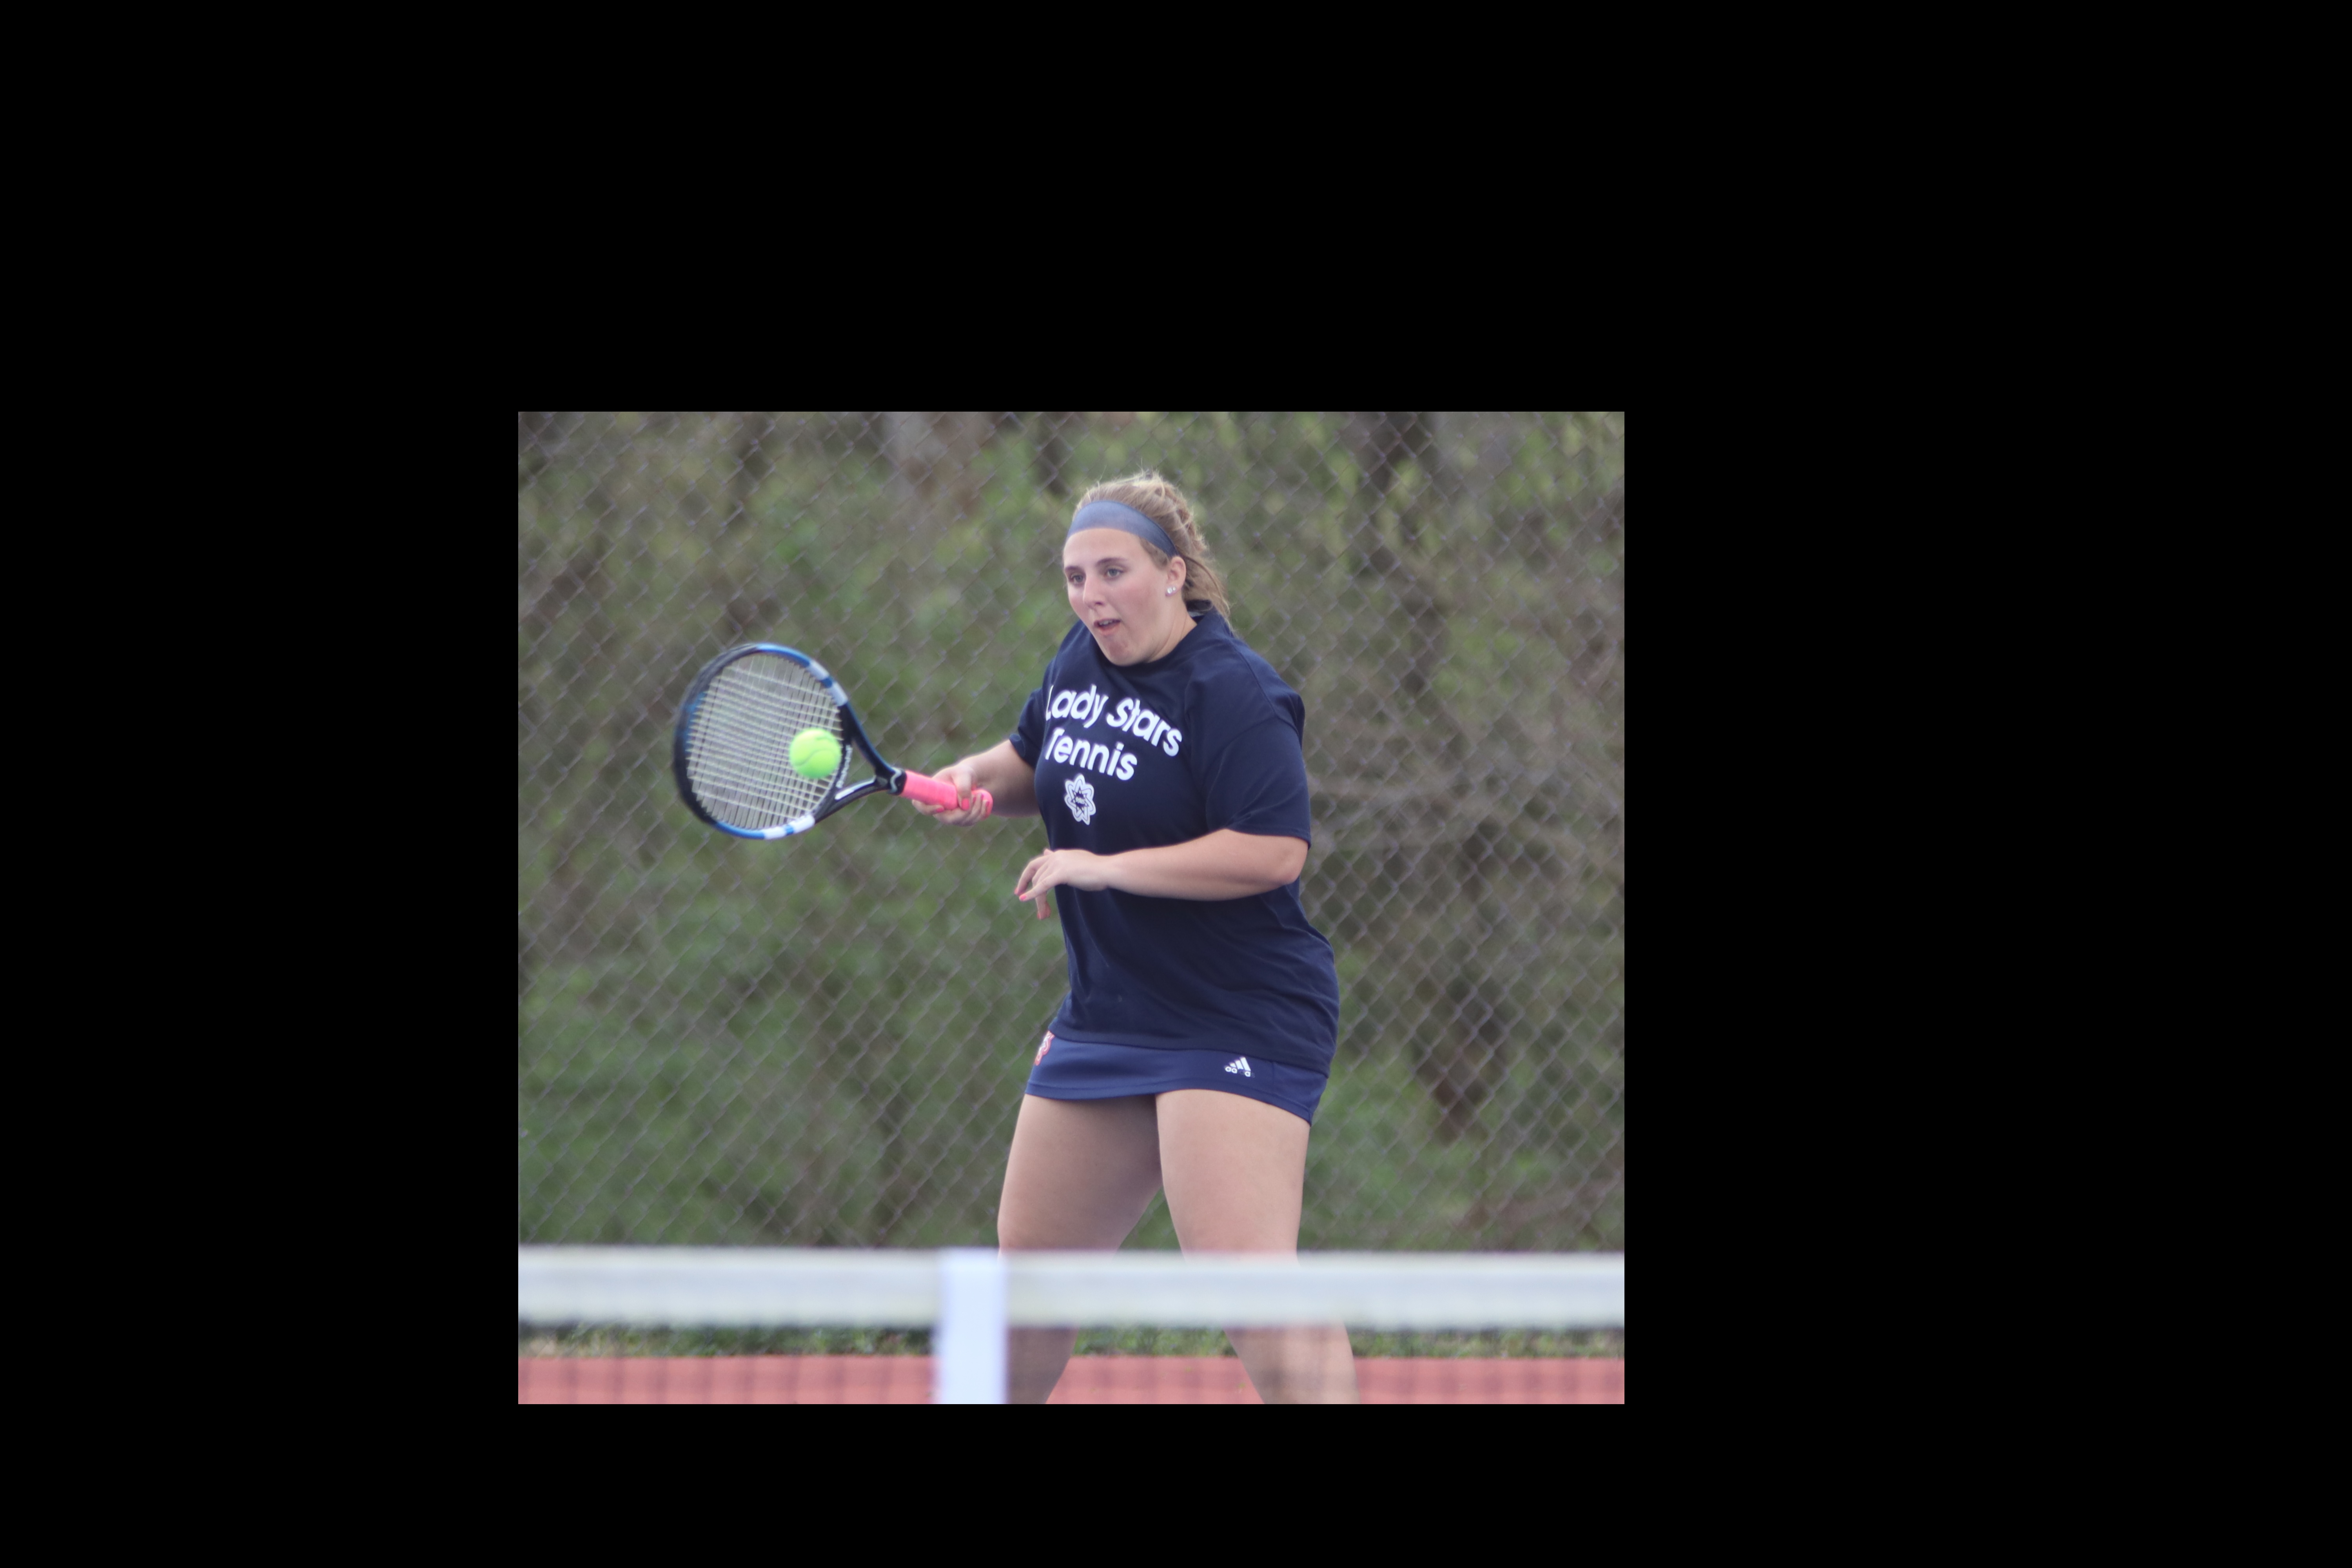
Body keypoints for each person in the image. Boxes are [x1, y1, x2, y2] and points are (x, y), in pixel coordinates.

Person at [913, 472, 1358, 1404]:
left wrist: (1104, 865)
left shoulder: (1235, 691)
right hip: (1110, 1010)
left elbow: (1274, 849)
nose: (1091, 596)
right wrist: (974, 777)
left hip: (1237, 1011)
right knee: (1029, 1272)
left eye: (1112, 571)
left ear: (1173, 572)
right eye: (1075, 576)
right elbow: (1032, 759)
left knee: (1244, 1275)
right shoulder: (1080, 658)